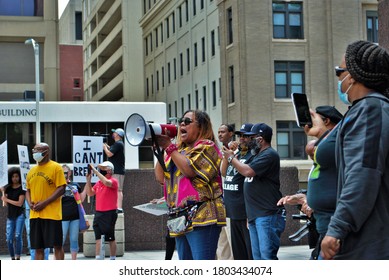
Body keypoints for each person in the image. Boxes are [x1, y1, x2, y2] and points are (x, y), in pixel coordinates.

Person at [321, 40, 389, 260]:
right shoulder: (364, 109)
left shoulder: (371, 110)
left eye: (339, 72)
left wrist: (337, 228)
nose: (339, 79)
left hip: (370, 243)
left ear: (353, 77)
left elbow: (363, 173)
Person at [154, 109, 226, 260]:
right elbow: (161, 177)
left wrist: (169, 147)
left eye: (187, 121)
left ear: (201, 127)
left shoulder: (208, 146)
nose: (182, 124)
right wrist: (161, 150)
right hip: (179, 217)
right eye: (181, 121)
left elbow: (190, 171)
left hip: (202, 217)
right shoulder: (178, 150)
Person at [277, 105, 343, 259]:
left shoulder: (339, 143)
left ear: (326, 121)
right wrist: (305, 197)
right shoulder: (325, 150)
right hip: (322, 226)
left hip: (335, 228)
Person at [222, 123, 285, 260]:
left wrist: (231, 158)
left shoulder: (269, 155)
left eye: (252, 137)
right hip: (254, 215)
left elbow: (248, 171)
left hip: (266, 214)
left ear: (260, 140)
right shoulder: (257, 155)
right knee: (257, 258)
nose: (248, 140)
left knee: (266, 257)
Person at [26, 143, 66, 260]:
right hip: (35, 215)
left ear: (46, 152)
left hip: (52, 215)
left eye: (37, 150)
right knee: (38, 248)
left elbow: (61, 188)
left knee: (57, 246)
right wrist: (29, 203)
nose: (35, 153)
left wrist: (44, 203)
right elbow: (27, 190)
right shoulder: (31, 170)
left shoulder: (56, 167)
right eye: (34, 150)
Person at [220, 123, 254, 260]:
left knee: (249, 253)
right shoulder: (237, 153)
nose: (242, 139)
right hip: (232, 211)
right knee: (239, 254)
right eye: (240, 136)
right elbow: (223, 172)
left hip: (244, 212)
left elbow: (248, 174)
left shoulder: (253, 155)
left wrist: (231, 157)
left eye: (246, 136)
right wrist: (228, 155)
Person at [85, 161, 118, 260]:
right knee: (98, 236)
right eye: (101, 168)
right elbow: (90, 193)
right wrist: (88, 181)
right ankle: (98, 257)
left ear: (109, 170)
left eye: (103, 168)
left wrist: (95, 171)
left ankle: (112, 258)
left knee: (110, 237)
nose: (101, 170)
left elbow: (107, 182)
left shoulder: (114, 181)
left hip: (110, 213)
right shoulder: (98, 183)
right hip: (98, 213)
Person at [216, 123, 235, 260]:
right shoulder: (217, 150)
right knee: (221, 244)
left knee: (232, 241)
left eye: (223, 131)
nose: (220, 134)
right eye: (219, 132)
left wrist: (230, 154)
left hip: (232, 203)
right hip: (219, 202)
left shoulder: (237, 149)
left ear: (231, 133)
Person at [61, 164, 86, 260]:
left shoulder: (75, 185)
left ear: (70, 173)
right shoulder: (58, 185)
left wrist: (88, 182)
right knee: (60, 240)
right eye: (62, 173)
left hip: (75, 217)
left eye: (66, 173)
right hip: (62, 217)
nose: (64, 175)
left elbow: (81, 199)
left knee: (74, 239)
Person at [1, 167, 26, 260]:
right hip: (10, 216)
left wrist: (6, 199)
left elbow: (20, 203)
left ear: (19, 176)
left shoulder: (22, 188)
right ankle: (12, 257)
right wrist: (3, 192)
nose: (15, 178)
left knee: (18, 236)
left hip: (20, 215)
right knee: (9, 239)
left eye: (16, 176)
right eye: (12, 177)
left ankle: (18, 257)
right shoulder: (8, 189)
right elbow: (5, 204)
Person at [103, 128, 125, 213]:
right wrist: (107, 146)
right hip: (116, 170)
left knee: (119, 189)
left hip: (117, 171)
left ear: (118, 135)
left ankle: (119, 208)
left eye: (114, 133)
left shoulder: (118, 144)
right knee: (115, 189)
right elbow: (111, 149)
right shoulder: (118, 144)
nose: (113, 134)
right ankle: (115, 206)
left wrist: (105, 148)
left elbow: (109, 153)